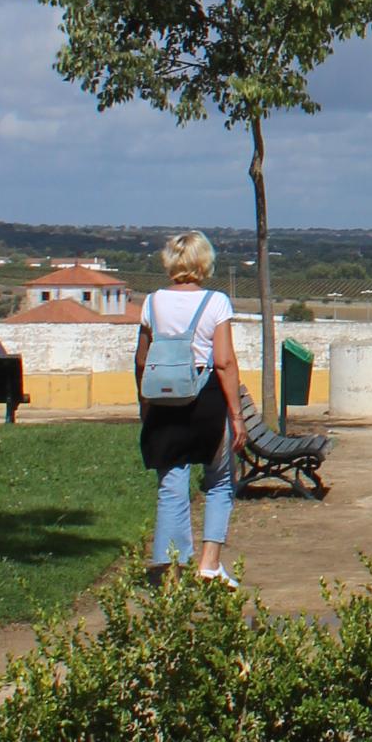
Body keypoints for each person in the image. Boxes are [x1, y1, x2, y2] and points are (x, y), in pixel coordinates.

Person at [135, 228, 250, 585]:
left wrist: (145, 406)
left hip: (165, 403)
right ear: (204, 263)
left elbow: (141, 360)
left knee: (172, 482)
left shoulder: (151, 302)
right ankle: (209, 563)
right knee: (218, 481)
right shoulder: (216, 302)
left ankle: (171, 569)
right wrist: (237, 415)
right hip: (207, 402)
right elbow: (224, 362)